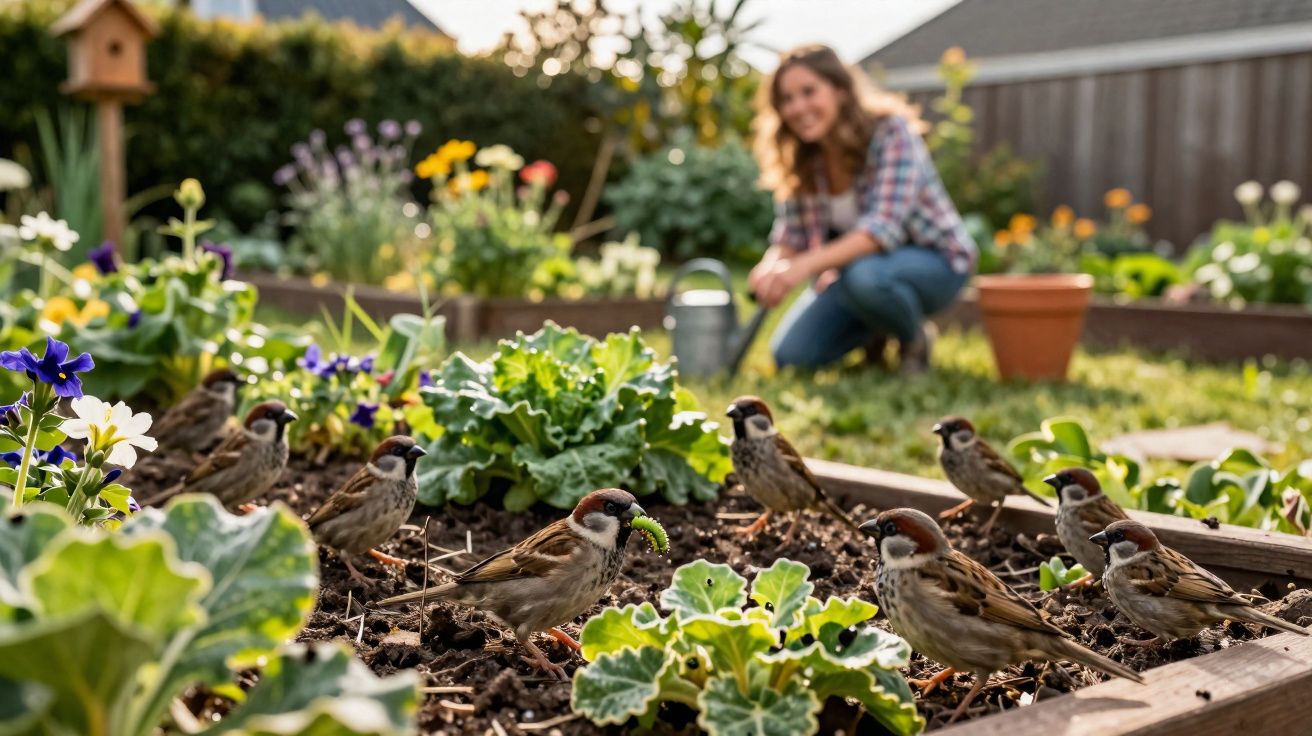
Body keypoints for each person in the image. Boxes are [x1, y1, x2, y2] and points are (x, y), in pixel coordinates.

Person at [749, 44, 976, 373]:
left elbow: (879, 231)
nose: (798, 107)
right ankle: (877, 326)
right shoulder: (804, 160)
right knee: (792, 356)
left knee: (864, 275)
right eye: (787, 99)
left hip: (936, 264)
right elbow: (790, 236)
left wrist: (800, 267)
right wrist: (770, 266)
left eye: (809, 92)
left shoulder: (891, 133)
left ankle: (913, 339)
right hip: (858, 277)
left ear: (840, 90)